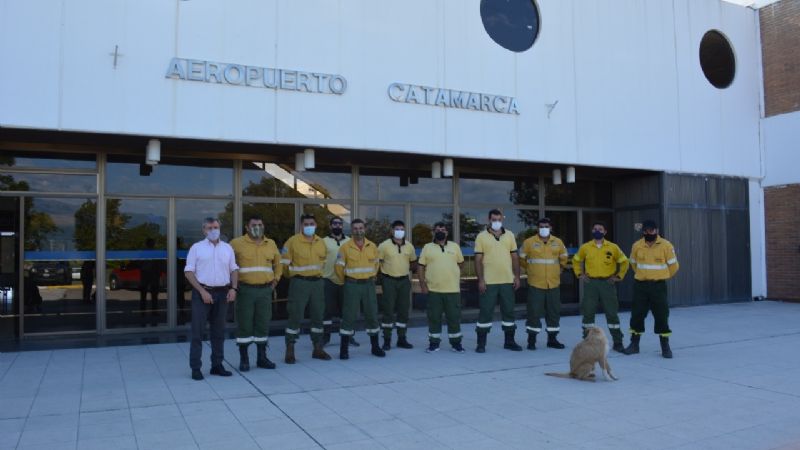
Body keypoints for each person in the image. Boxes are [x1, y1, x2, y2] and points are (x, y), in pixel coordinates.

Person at [184, 217, 239, 380]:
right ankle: (195, 367)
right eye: (209, 228)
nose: (213, 230)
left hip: (223, 294)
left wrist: (234, 288)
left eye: (215, 227)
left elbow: (234, 269)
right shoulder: (196, 248)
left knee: (219, 332)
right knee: (197, 332)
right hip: (202, 294)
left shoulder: (227, 248)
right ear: (204, 230)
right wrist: (202, 291)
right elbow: (189, 272)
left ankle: (217, 365)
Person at [230, 215, 283, 371]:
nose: (257, 227)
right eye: (254, 225)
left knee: (263, 323)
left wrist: (275, 281)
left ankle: (262, 357)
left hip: (265, 290)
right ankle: (244, 359)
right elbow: (228, 265)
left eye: (260, 224)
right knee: (245, 324)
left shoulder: (271, 243)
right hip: (245, 290)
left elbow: (278, 264)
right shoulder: (236, 244)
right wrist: (233, 285)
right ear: (247, 227)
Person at [623, 220, 679, 358]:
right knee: (637, 314)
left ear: (657, 230)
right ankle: (634, 344)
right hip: (641, 286)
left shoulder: (666, 245)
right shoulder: (637, 245)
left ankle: (665, 346)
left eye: (652, 230)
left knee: (661, 315)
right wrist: (643, 275)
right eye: (647, 231)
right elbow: (633, 264)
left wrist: (661, 276)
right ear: (643, 232)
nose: (650, 233)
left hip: (658, 286)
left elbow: (674, 266)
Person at [572, 221, 629, 353]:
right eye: (595, 228)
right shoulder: (585, 247)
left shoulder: (613, 247)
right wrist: (579, 274)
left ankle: (618, 342)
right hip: (591, 284)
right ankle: (587, 342)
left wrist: (619, 276)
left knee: (612, 313)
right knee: (588, 314)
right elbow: (576, 260)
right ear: (592, 231)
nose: (597, 231)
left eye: (600, 229)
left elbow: (624, 262)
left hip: (607, 284)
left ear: (605, 232)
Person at [280, 214, 330, 363]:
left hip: (317, 283)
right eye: (306, 224)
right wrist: (294, 277)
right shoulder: (292, 242)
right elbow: (284, 265)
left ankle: (318, 348)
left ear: (316, 225)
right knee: (295, 315)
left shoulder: (321, 242)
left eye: (312, 223)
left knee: (318, 315)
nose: (309, 226)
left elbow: (324, 262)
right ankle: (290, 349)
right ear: (301, 226)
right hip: (299, 283)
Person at [474, 209, 522, 353]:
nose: (497, 222)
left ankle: (509, 341)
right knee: (485, 312)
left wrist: (517, 276)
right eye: (494, 219)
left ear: (502, 220)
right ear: (489, 219)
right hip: (489, 282)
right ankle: (481, 344)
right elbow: (477, 260)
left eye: (499, 219)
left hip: (507, 281)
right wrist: (481, 280)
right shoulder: (481, 236)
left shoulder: (510, 235)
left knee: (509, 312)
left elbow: (514, 257)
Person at [335, 218, 384, 359]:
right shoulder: (345, 247)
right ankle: (344, 350)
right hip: (352, 285)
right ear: (352, 230)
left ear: (365, 229)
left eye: (361, 228)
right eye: (355, 228)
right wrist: (346, 281)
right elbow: (338, 267)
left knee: (372, 315)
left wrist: (372, 276)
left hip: (368, 285)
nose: (358, 231)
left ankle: (375, 347)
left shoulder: (372, 246)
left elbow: (376, 265)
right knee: (348, 316)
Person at [519, 217, 569, 350]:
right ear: (537, 228)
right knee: (533, 312)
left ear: (550, 228)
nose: (544, 229)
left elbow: (564, 258)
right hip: (536, 283)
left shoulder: (558, 242)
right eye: (541, 226)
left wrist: (560, 269)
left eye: (546, 226)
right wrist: (531, 270)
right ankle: (531, 340)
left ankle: (552, 340)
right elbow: (521, 259)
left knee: (553, 312)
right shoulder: (529, 242)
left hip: (553, 283)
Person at [418, 222, 465, 353]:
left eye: (443, 229)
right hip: (434, 290)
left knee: (454, 318)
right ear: (433, 232)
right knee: (434, 318)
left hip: (452, 290)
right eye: (437, 229)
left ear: (447, 233)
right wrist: (422, 284)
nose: (440, 231)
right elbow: (421, 267)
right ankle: (434, 344)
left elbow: (461, 264)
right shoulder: (427, 247)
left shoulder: (455, 246)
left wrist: (452, 273)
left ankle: (456, 344)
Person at [377, 220, 417, 350]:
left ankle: (402, 338)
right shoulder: (384, 246)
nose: (400, 231)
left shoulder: (409, 246)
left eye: (402, 229)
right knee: (388, 310)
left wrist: (404, 269)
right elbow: (378, 263)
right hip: (389, 280)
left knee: (403, 310)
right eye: (397, 229)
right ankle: (387, 340)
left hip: (404, 281)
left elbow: (413, 263)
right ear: (392, 231)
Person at [321, 216, 360, 347]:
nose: (337, 226)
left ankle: (349, 336)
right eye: (335, 224)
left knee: (348, 310)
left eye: (340, 224)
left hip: (346, 280)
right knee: (327, 311)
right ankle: (325, 337)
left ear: (342, 226)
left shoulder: (350, 241)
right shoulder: (323, 241)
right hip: (329, 280)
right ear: (330, 226)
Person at [139, 238, 161, 317]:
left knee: (148, 294)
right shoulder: (152, 252)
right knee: (152, 294)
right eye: (152, 243)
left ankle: (144, 312)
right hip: (148, 274)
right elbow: (140, 263)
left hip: (149, 274)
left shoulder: (145, 252)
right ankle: (150, 311)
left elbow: (140, 263)